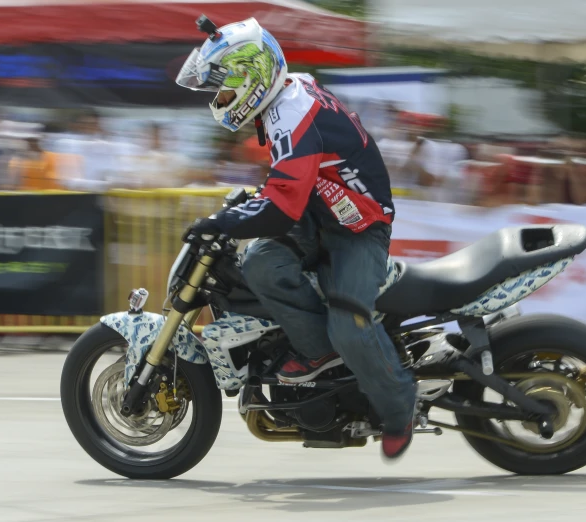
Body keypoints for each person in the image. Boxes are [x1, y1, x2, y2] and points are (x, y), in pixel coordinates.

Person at [175, 17, 416, 461]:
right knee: (261, 262)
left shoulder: (292, 113)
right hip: (319, 213)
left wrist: (222, 223)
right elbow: (290, 184)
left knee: (350, 326)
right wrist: (240, 210)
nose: (219, 98)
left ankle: (400, 404)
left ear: (252, 78)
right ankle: (316, 350)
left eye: (223, 87)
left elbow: (281, 206)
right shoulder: (287, 93)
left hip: (357, 227)